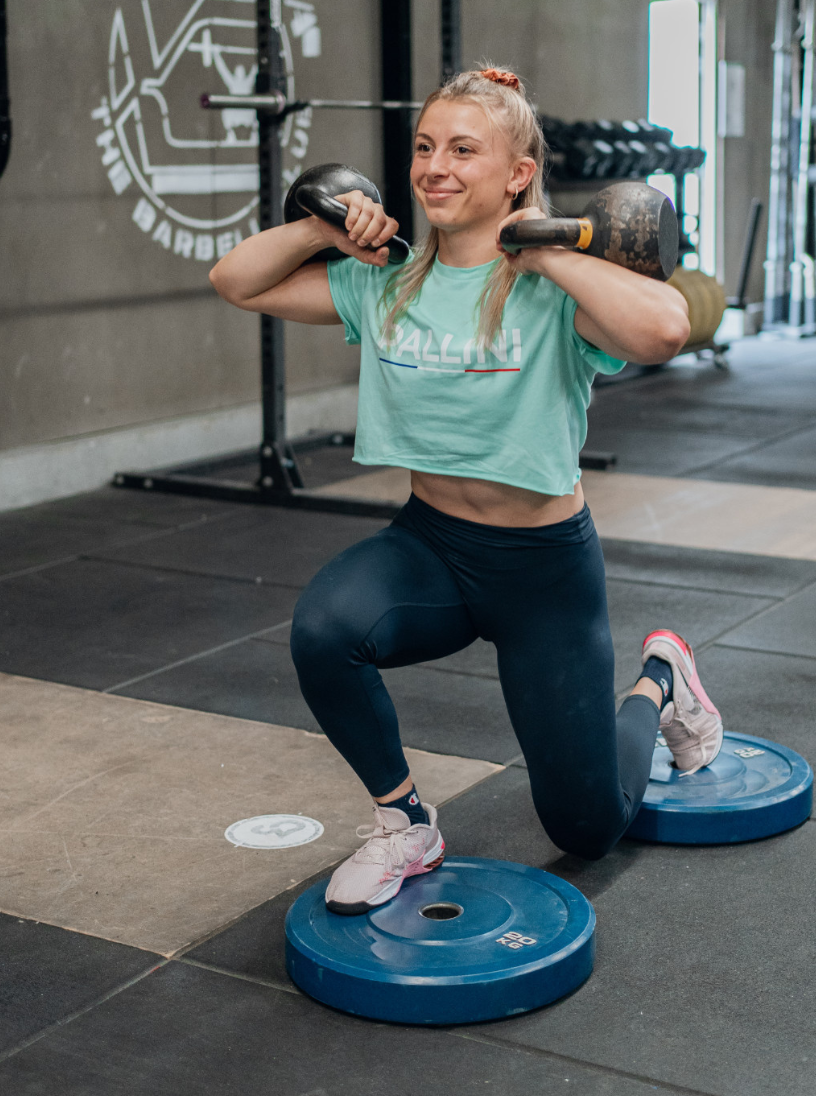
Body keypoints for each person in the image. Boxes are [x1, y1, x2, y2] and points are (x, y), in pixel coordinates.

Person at [209, 67, 723, 916]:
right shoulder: (385, 280)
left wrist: (547, 248)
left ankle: (661, 681)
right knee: (325, 628)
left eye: (461, 150)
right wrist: (321, 226)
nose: (434, 168)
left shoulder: (552, 289)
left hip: (544, 573)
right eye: (424, 148)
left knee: (588, 828)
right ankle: (406, 822)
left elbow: (668, 328)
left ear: (519, 173)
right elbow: (237, 281)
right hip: (433, 548)